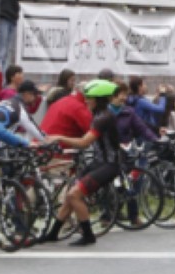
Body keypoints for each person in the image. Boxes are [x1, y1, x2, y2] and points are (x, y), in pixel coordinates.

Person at [41, 80, 123, 247]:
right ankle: (53, 233)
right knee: (70, 197)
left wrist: (60, 137)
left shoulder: (104, 118)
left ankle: (88, 235)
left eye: (89, 98)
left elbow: (85, 142)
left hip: (109, 165)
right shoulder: (98, 115)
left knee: (74, 195)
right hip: (98, 162)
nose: (86, 100)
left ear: (99, 99)